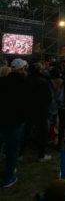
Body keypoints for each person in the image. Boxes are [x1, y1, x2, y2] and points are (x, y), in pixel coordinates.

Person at [0, 58, 31, 187]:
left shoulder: (2, 81)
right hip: (16, 121)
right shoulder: (25, 83)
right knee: (12, 149)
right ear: (22, 69)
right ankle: (9, 177)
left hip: (2, 119)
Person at [26, 62, 53, 162]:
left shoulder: (26, 80)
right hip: (41, 110)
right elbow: (49, 97)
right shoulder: (44, 81)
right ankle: (41, 155)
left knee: (26, 131)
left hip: (28, 109)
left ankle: (20, 153)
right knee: (42, 132)